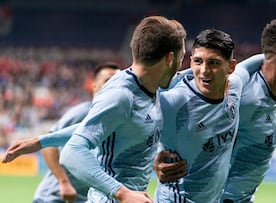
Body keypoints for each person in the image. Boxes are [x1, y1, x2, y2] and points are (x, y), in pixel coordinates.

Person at [2, 15, 187, 203]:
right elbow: (71, 153)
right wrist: (122, 193)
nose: (181, 65)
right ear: (169, 58)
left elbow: (96, 125)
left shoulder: (147, 86)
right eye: (181, 58)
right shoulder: (121, 95)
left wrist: (41, 141)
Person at [153, 18, 276, 203]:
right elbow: (157, 113)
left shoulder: (246, 86)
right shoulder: (244, 96)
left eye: (214, 63)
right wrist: (156, 156)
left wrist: (272, 53)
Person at [154, 28, 262, 202]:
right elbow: (131, 122)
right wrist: (152, 158)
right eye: (198, 61)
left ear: (231, 67)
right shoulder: (173, 102)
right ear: (190, 62)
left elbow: (253, 64)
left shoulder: (234, 86)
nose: (204, 70)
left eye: (214, 63)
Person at [33, 63, 120, 203]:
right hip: (56, 197)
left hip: (84, 199)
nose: (114, 85)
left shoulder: (116, 119)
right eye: (107, 80)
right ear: (94, 86)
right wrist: (64, 182)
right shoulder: (84, 112)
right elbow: (48, 144)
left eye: (118, 81)